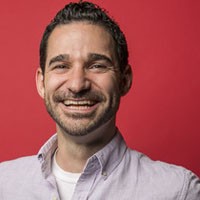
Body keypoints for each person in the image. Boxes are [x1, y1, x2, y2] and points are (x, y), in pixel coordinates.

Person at [0, 1, 199, 200]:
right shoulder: (4, 184)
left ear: (124, 80)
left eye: (97, 65)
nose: (77, 85)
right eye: (61, 66)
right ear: (41, 83)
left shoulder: (178, 191)